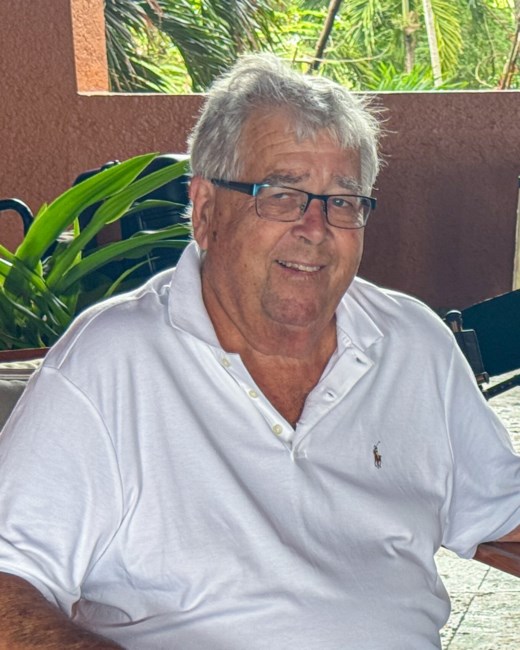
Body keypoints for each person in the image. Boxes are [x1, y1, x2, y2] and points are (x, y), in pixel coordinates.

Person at [0, 54, 518, 650]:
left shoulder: (411, 343)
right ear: (205, 210)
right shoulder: (111, 361)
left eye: (342, 201)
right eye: (281, 194)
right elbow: (9, 580)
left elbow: (500, 510)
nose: (315, 228)